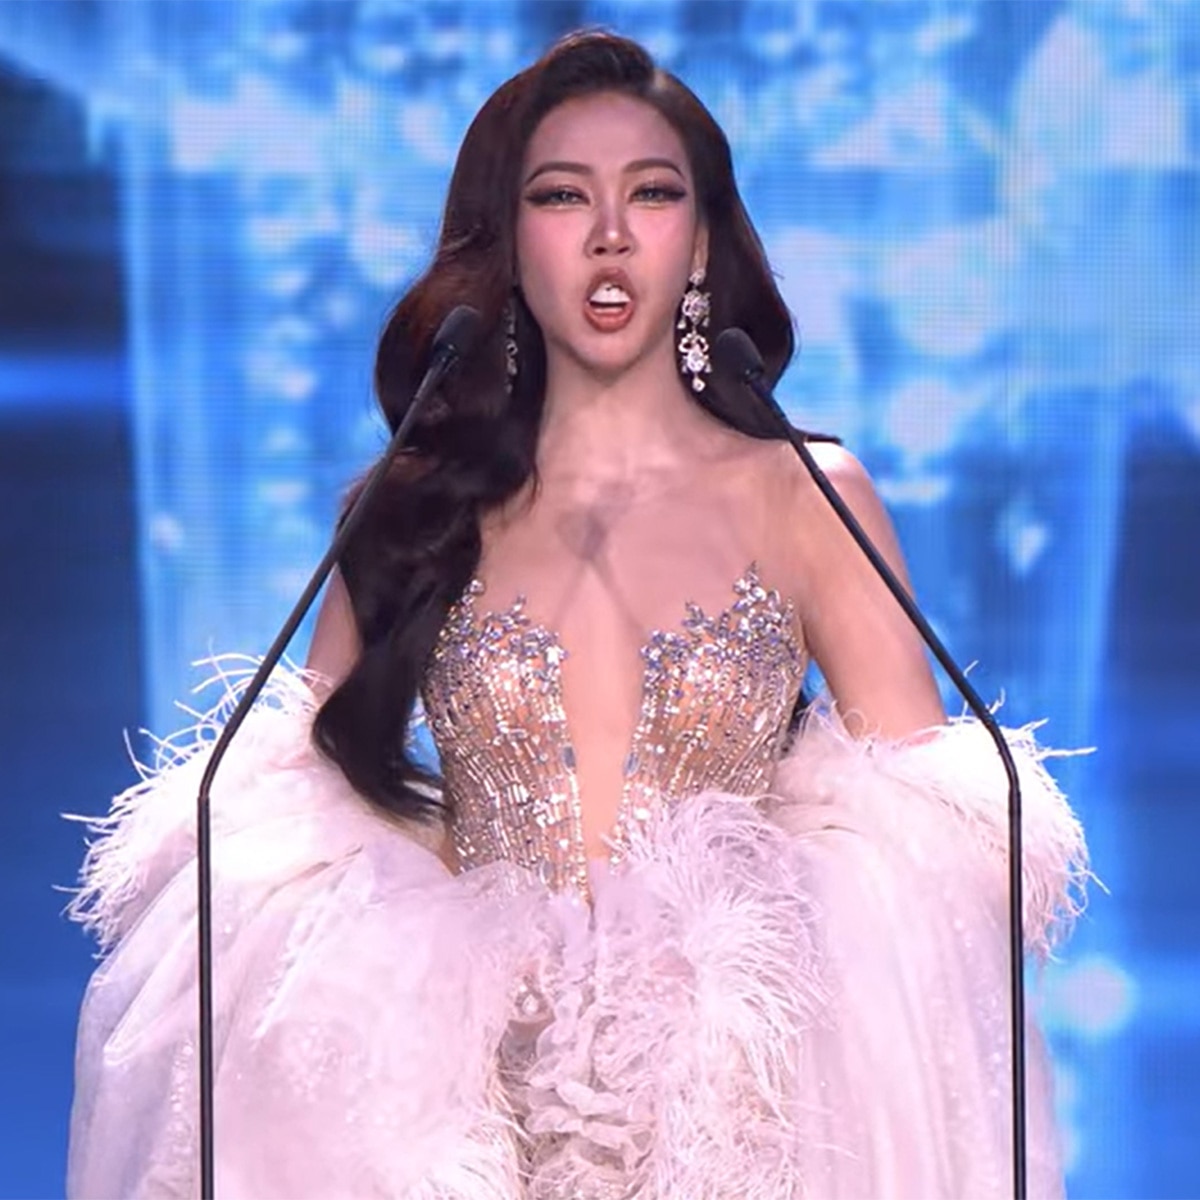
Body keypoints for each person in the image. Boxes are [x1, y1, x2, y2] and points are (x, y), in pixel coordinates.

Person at [66, 30, 1087, 1200]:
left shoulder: (808, 495)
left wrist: (747, 975)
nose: (610, 233)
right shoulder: (416, 503)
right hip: (478, 1131)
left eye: (652, 194)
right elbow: (303, 830)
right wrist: (441, 970)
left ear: (701, 242)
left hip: (742, 1129)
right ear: (509, 243)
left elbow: (923, 860)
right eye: (561, 196)